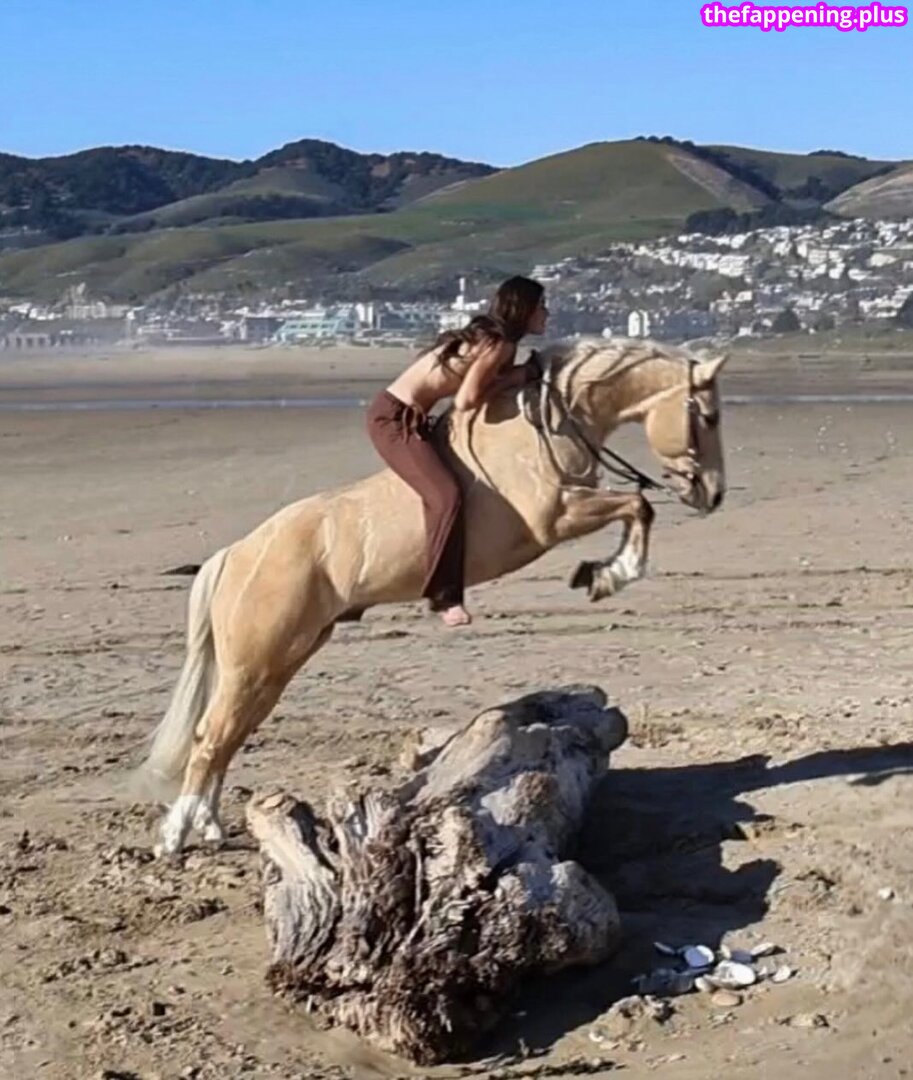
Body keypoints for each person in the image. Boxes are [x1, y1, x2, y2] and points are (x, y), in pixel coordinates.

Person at [365, 276, 549, 627]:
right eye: (542, 306)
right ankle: (444, 597)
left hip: (412, 417)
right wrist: (518, 376)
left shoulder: (497, 340)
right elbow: (467, 399)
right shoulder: (499, 343)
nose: (547, 313)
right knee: (446, 496)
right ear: (524, 310)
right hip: (394, 420)